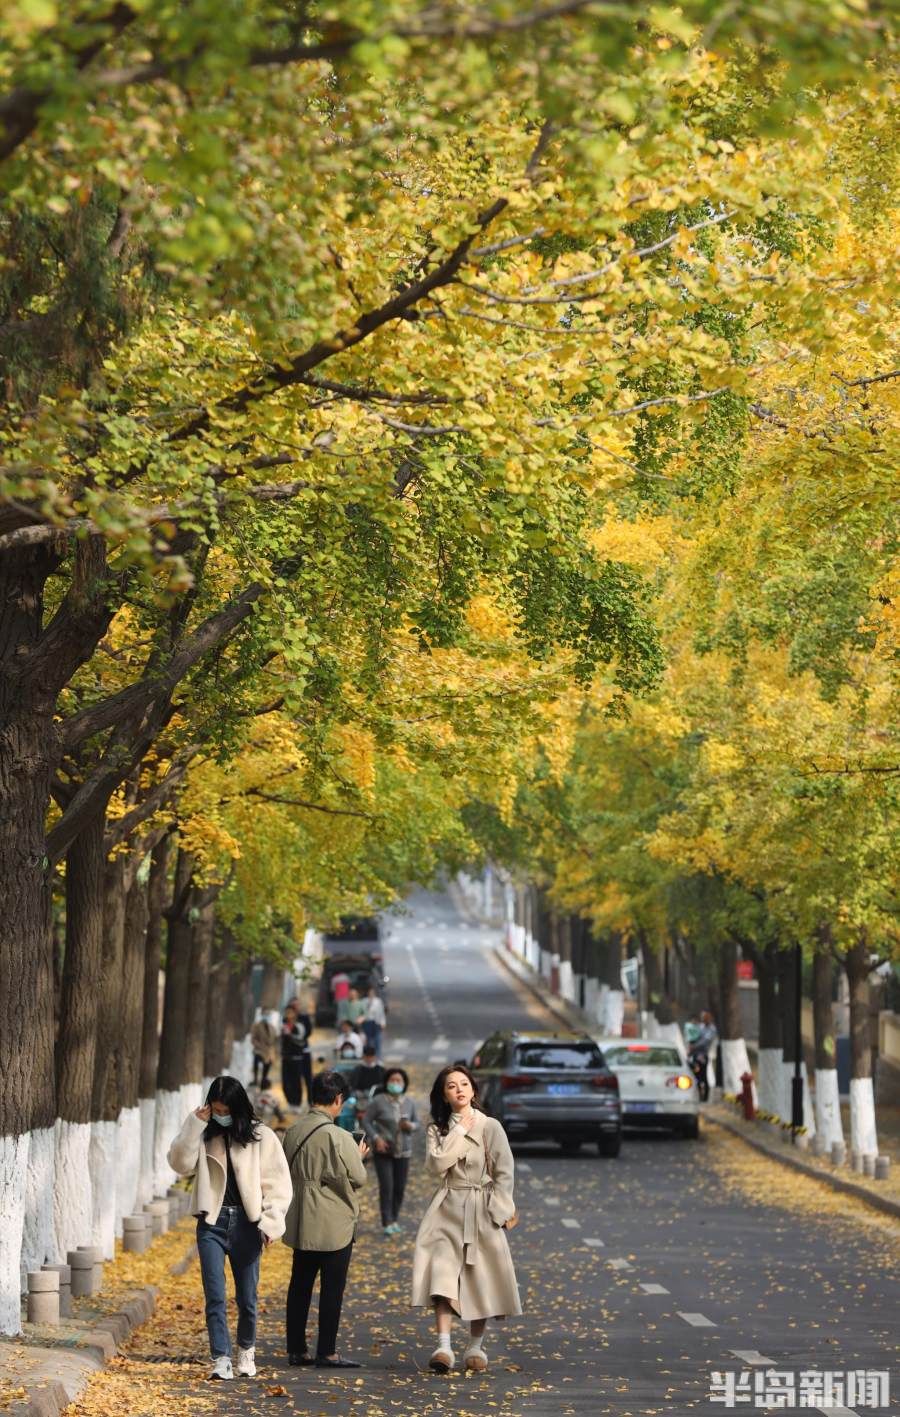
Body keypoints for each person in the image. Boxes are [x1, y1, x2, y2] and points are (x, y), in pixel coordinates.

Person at [167, 1076, 292, 1382]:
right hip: (211, 1222)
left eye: (226, 1110)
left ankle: (246, 1350)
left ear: (237, 1108)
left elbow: (279, 1183)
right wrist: (193, 1125)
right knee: (215, 1295)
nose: (221, 1114)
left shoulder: (261, 1135)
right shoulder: (204, 1134)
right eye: (216, 1108)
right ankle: (220, 1357)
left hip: (248, 1225)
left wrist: (270, 1223)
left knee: (247, 1297)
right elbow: (179, 1163)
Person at [412, 1064, 520, 1374]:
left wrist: (499, 1209)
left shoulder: (490, 1126)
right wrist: (459, 1129)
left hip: (481, 1208)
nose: (458, 1089)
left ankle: (475, 1346)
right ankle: (444, 1346)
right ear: (444, 1096)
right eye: (451, 1086)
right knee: (442, 1276)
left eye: (464, 1084)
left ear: (473, 1090)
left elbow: (504, 1171)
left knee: (479, 1277)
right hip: (446, 1208)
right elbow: (437, 1164)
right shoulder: (438, 1129)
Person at [281, 1070, 369, 1369]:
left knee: (300, 1285)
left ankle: (296, 1349)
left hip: (301, 1219)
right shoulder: (339, 1137)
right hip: (334, 1223)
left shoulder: (292, 1131)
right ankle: (327, 1351)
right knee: (332, 1289)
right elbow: (358, 1178)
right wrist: (358, 1155)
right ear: (338, 1099)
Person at [364, 1068, 419, 1237]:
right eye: (392, 1080)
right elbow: (366, 1120)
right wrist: (376, 1138)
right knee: (387, 1186)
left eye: (399, 1081)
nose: (395, 1084)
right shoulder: (378, 1101)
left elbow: (417, 1123)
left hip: (404, 1151)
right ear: (387, 1082)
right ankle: (386, 1221)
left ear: (404, 1084)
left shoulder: (409, 1102)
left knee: (399, 1188)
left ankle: (394, 1218)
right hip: (384, 1151)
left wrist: (410, 1126)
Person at [281, 1004, 313, 1108]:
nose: (288, 1015)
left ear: (295, 1014)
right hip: (285, 1057)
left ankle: (297, 1102)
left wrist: (290, 1034)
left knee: (296, 1081)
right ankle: (290, 1102)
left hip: (297, 1057)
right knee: (285, 1082)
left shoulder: (299, 1026)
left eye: (290, 1012)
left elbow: (301, 1041)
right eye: (287, 1012)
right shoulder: (283, 1025)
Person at [250, 1013, 278, 1090]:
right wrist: (260, 1045)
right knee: (257, 1060)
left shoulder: (272, 1027)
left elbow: (274, 1040)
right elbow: (253, 1039)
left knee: (268, 1064)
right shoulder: (257, 1026)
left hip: (269, 1052)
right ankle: (255, 1079)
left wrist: (273, 1049)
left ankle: (264, 1080)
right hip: (259, 1050)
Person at [361, 986, 387, 1056]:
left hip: (376, 1022)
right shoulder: (364, 1001)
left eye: (372, 993)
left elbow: (381, 1012)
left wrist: (383, 1022)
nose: (371, 994)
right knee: (368, 1041)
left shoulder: (378, 1001)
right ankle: (368, 1055)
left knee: (377, 1040)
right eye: (369, 992)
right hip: (367, 1022)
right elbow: (362, 1012)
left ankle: (378, 1056)